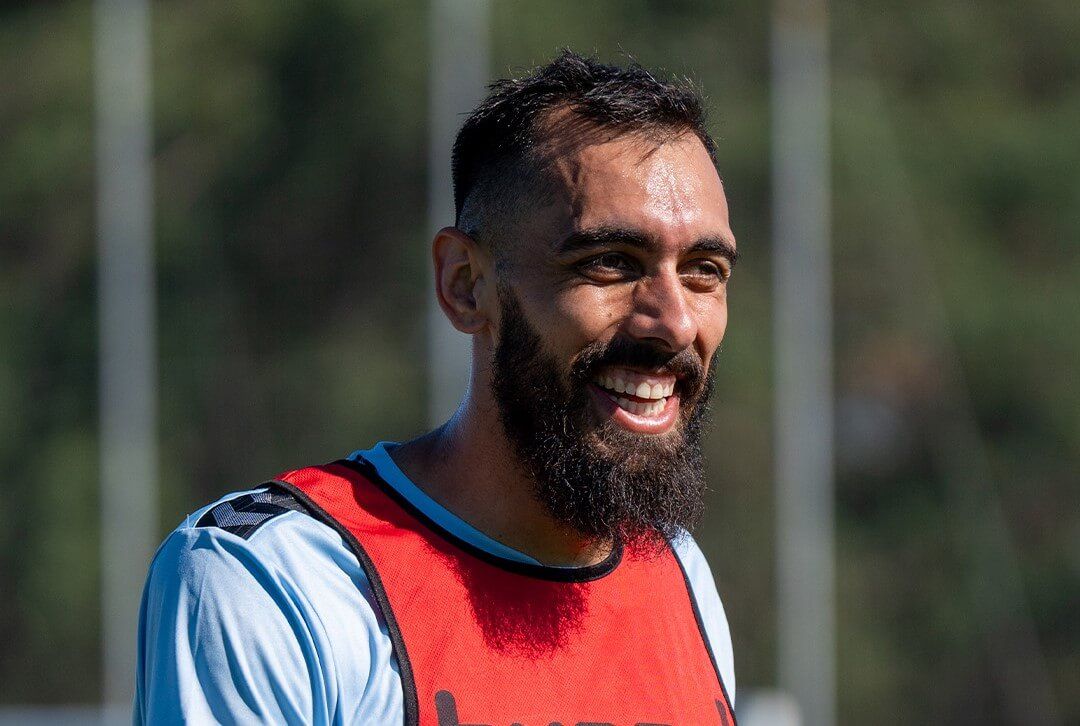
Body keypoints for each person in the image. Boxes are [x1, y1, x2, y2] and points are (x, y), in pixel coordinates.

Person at [136, 49, 739, 726]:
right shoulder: (278, 579)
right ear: (464, 283)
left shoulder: (676, 570)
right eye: (609, 263)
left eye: (703, 270)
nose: (675, 322)